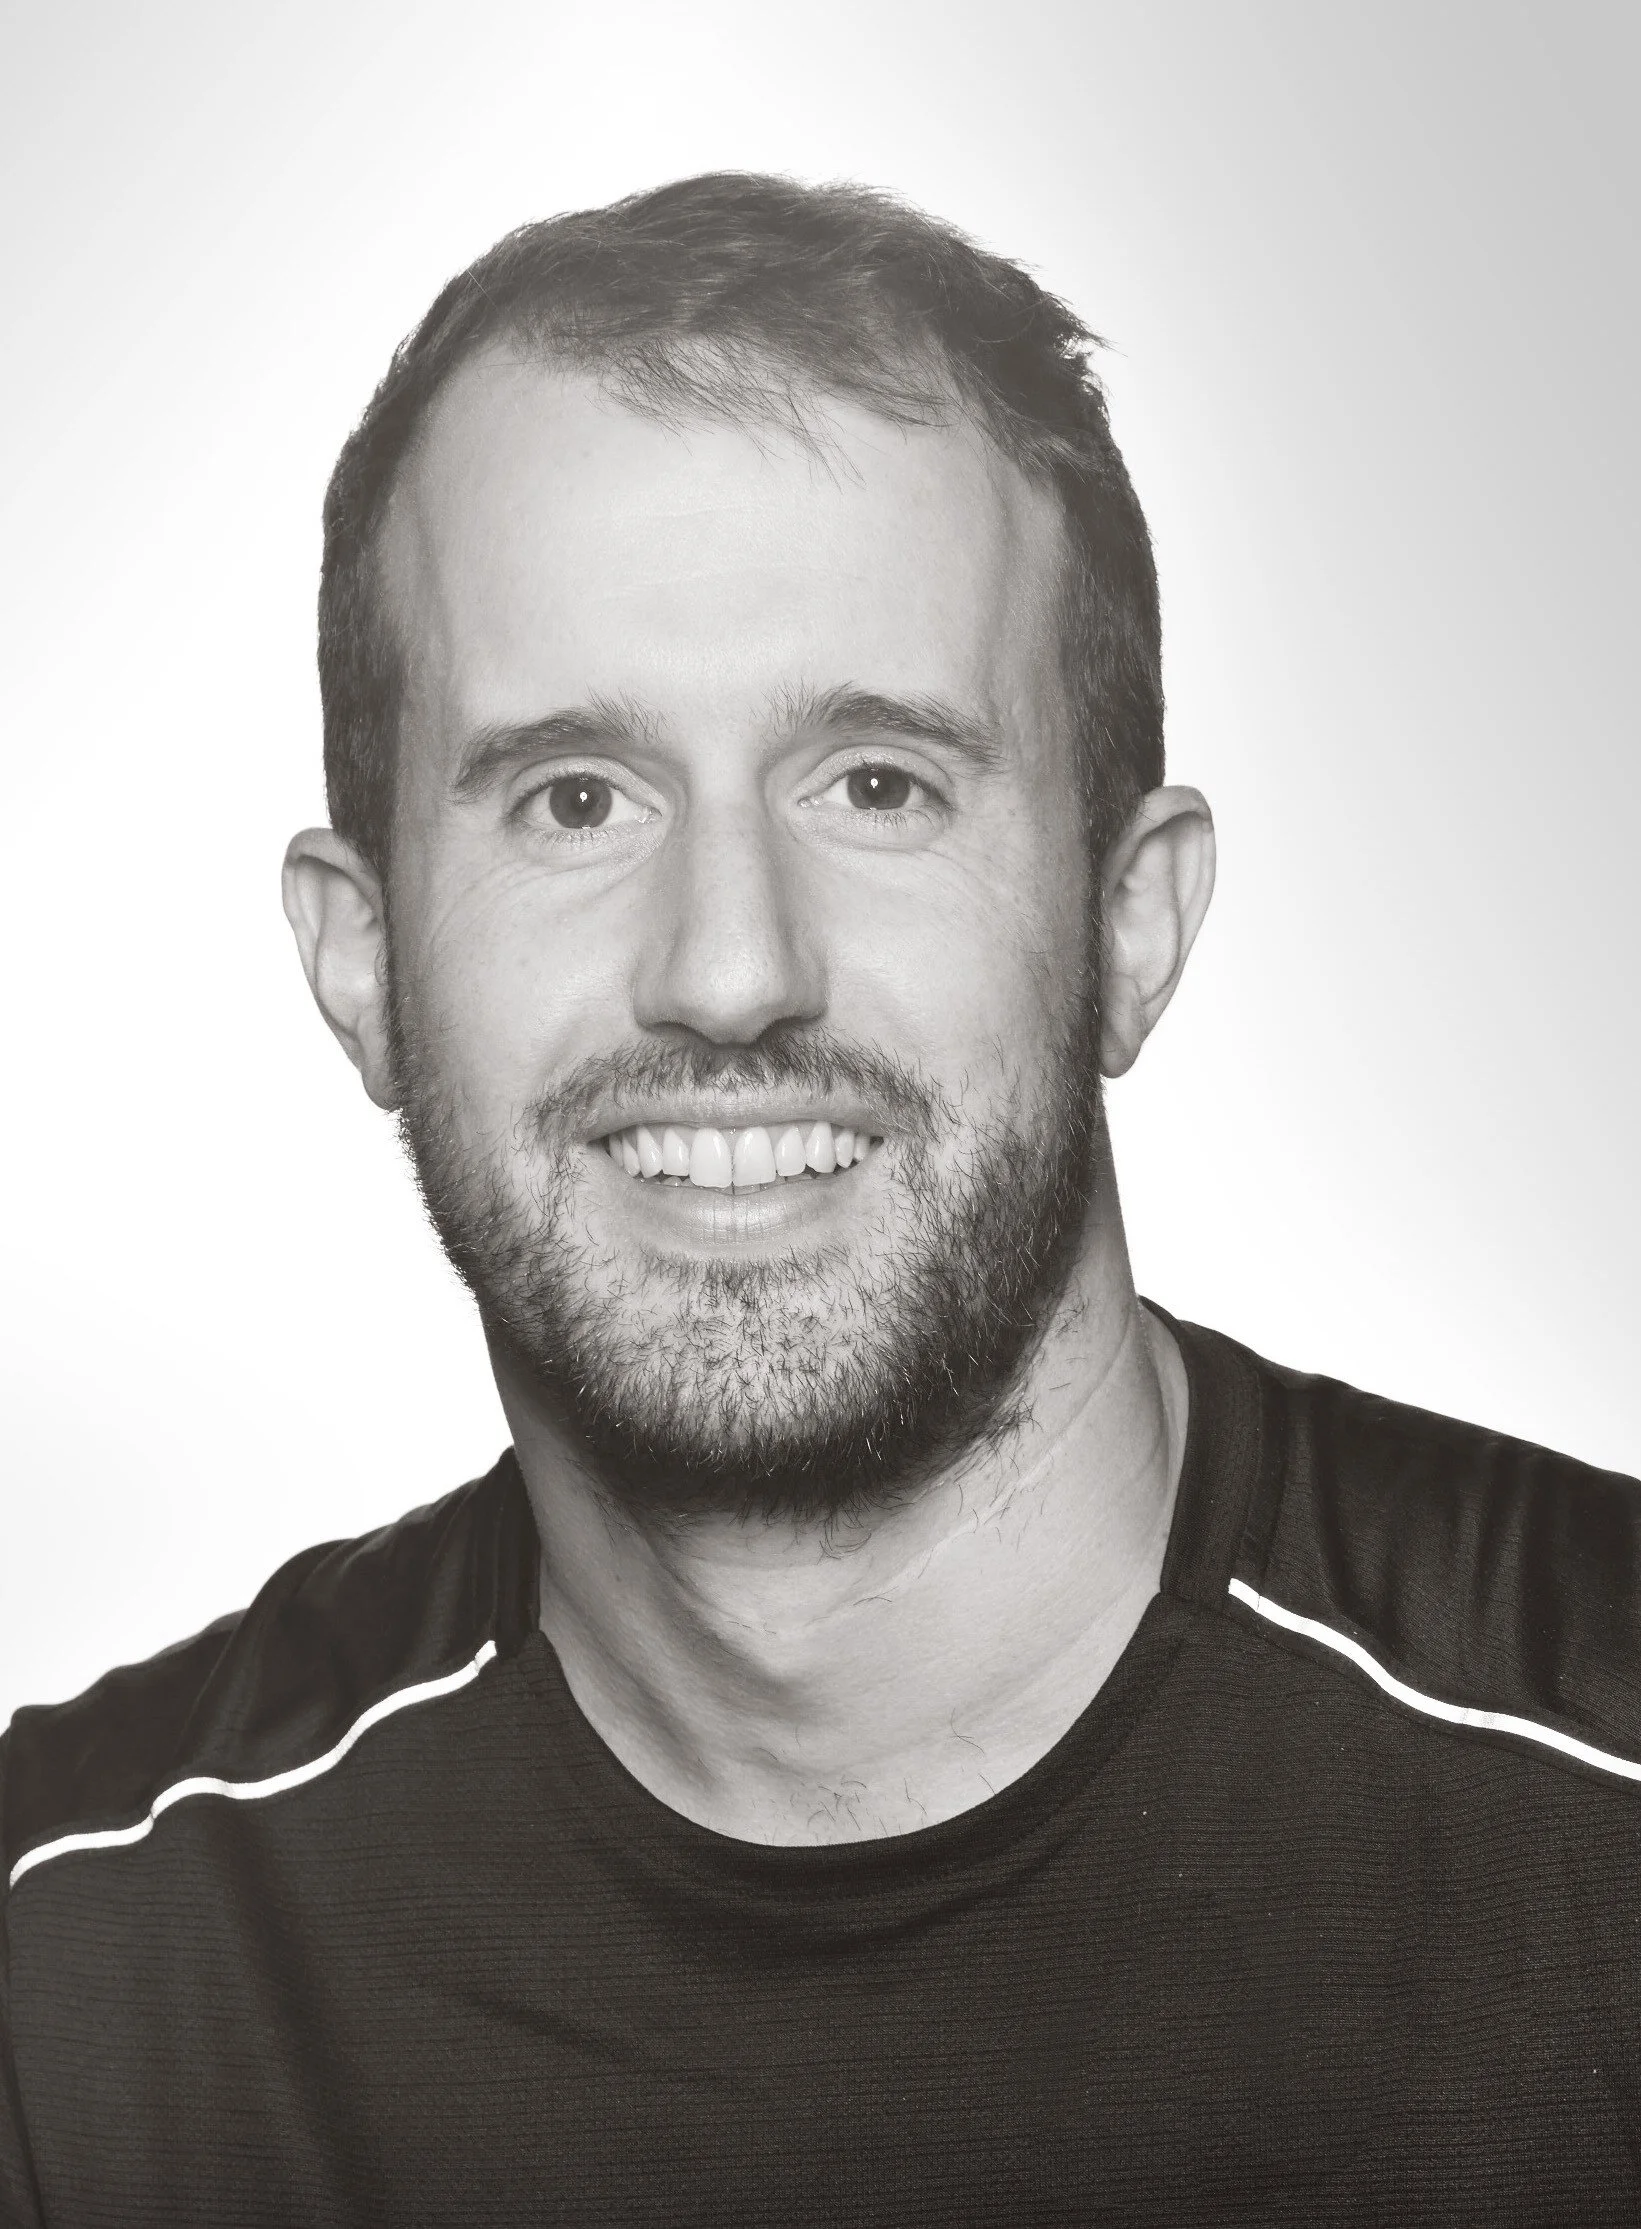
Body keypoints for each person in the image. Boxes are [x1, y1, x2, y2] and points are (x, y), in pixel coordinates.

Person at [2, 172, 1637, 2227]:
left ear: (1131, 924)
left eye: (878, 786)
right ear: (362, 964)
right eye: (574, 799)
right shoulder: (72, 1979)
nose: (727, 966)